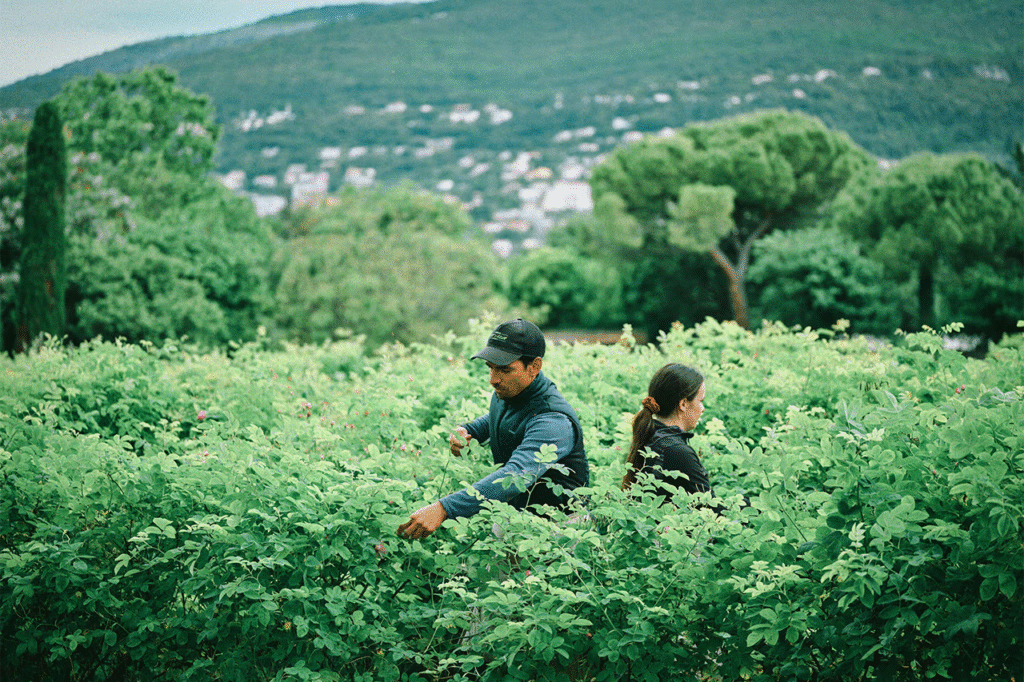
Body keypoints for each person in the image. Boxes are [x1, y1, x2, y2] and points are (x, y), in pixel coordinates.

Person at [397, 318, 589, 540]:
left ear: (534, 367)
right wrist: (468, 431)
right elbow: (499, 417)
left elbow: (514, 476)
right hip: (515, 516)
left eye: (505, 370)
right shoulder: (512, 391)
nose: (494, 380)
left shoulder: (553, 420)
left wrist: (443, 509)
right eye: (491, 368)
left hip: (559, 530)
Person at [621, 363, 714, 503]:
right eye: (700, 401)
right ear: (683, 404)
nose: (703, 408)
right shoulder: (677, 451)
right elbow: (710, 506)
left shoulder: (652, 434)